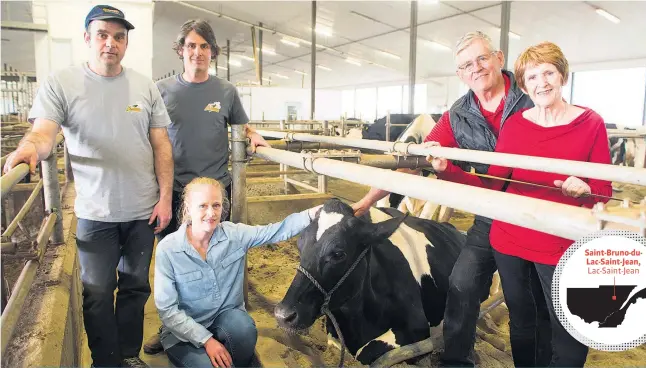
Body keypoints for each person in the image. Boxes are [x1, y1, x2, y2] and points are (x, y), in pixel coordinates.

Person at [351, 31, 551, 366]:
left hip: (535, 214)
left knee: (530, 301)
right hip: (490, 212)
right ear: (460, 74)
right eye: (467, 65)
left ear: (499, 58)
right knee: (461, 285)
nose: (477, 68)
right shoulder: (457, 114)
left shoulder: (531, 94)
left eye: (482, 58)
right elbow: (413, 166)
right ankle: (457, 361)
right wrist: (367, 201)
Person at [2, 5, 173, 368]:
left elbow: (161, 145)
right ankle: (105, 361)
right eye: (102, 34)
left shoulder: (144, 85)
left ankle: (129, 354)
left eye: (119, 36)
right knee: (96, 293)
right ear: (87, 38)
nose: (110, 42)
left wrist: (165, 199)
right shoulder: (62, 83)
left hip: (143, 211)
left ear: (126, 43)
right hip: (96, 213)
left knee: (135, 287)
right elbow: (44, 131)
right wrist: (28, 149)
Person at [429, 41, 612, 367]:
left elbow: (603, 189)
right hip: (510, 239)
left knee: (568, 328)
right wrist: (448, 171)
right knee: (523, 321)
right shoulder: (514, 125)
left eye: (548, 73)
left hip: (560, 242)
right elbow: (492, 187)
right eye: (533, 77)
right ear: (524, 85)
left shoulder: (591, 123)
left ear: (562, 76)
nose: (541, 82)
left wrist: (585, 189)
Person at [143, 18, 269, 355]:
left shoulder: (225, 91)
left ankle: (221, 323)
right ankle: (171, 328)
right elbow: (146, 130)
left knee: (218, 258)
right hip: (174, 191)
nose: (197, 52)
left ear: (211, 52)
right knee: (175, 262)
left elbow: (241, 125)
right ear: (180, 50)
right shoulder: (161, 90)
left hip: (215, 193)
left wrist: (253, 134)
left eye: (204, 46)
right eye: (191, 45)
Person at [153, 177, 321, 368]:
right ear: (188, 207)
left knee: (243, 330)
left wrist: (313, 213)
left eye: (216, 205)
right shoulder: (169, 249)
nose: (211, 213)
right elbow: (167, 310)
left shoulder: (234, 235)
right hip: (183, 332)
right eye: (203, 206)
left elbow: (276, 231)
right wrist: (207, 341)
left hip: (225, 320)